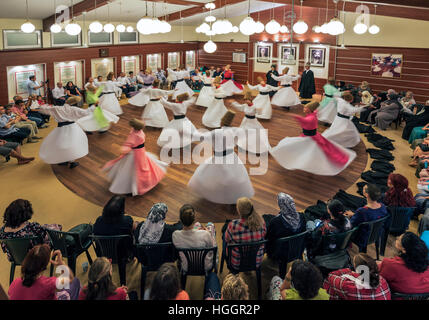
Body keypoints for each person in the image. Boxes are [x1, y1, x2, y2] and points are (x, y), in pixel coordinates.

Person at [270, 101, 356, 176]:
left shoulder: (311, 117)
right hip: (312, 136)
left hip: (310, 138)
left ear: (309, 109)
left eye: (305, 108)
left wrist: (295, 116)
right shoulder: (313, 113)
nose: (303, 109)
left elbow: (305, 121)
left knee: (292, 145)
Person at [189, 112, 255, 204]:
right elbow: (247, 133)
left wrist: (189, 132)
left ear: (222, 121)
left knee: (211, 175)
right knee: (233, 176)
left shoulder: (216, 133)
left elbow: (200, 137)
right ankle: (232, 193)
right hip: (232, 157)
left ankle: (218, 192)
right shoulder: (235, 130)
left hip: (218, 158)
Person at [103, 119, 168, 196]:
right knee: (145, 165)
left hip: (135, 153)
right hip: (141, 151)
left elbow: (128, 145)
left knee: (132, 170)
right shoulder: (141, 132)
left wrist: (122, 149)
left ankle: (133, 186)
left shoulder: (134, 135)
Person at [8, 245, 80, 300]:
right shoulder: (48, 283)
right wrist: (61, 264)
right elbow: (70, 278)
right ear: (44, 266)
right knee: (75, 282)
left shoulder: (14, 284)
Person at [38, 97, 89, 169]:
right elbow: (85, 113)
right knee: (72, 144)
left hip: (61, 129)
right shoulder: (72, 108)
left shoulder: (55, 108)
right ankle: (71, 161)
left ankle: (63, 159)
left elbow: (43, 109)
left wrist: (43, 104)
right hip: (73, 128)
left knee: (59, 143)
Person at [323, 253, 391, 300]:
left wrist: (348, 270)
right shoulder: (383, 281)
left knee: (331, 286)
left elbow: (330, 276)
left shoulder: (348, 286)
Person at [224, 197, 266, 271]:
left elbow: (226, 239)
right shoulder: (261, 223)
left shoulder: (233, 224)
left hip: (237, 263)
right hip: (256, 261)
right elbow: (264, 235)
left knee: (224, 239)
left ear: (239, 210)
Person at [172, 204, 216, 273]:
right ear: (193, 219)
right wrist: (209, 234)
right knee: (210, 226)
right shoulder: (205, 234)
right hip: (206, 266)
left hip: (186, 267)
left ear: (180, 219)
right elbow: (211, 248)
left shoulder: (175, 235)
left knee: (198, 225)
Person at [345, 184, 389, 252]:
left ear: (367, 195)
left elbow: (352, 225)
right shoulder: (383, 206)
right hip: (377, 234)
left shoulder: (362, 211)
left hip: (363, 237)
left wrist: (347, 217)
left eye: (364, 189)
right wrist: (354, 214)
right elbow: (373, 216)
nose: (363, 190)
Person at [264, 193, 306, 260]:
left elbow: (268, 239)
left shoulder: (275, 222)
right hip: (298, 250)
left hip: (280, 255)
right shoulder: (302, 216)